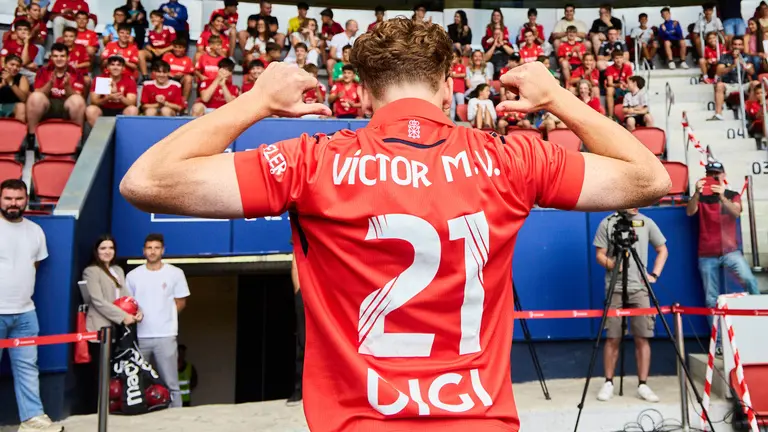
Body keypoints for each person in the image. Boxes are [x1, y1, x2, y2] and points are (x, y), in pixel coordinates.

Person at [118, 19, 671, 432]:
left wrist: (256, 101)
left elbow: (146, 180)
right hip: (478, 420)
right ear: (447, 87)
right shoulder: (511, 159)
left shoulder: (314, 162)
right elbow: (649, 178)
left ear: (360, 92)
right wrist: (557, 97)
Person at [0, 179, 62, 432]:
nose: (13, 203)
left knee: (28, 368)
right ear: (0, 200)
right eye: (8, 198)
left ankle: (32, 419)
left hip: (26, 312)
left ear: (26, 199)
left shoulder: (35, 231)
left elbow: (33, 267)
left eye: (18, 198)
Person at [593, 208, 668, 403]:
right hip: (615, 288)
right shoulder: (607, 223)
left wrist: (654, 275)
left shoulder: (646, 222)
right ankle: (608, 382)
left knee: (642, 337)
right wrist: (613, 264)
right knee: (613, 337)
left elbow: (663, 249)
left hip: (640, 289)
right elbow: (599, 254)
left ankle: (643, 384)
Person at [686, 161, 760, 352]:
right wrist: (696, 193)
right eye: (710, 174)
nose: (714, 177)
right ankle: (718, 343)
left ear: (723, 175)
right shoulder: (701, 197)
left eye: (717, 174)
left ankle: (759, 324)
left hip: (730, 251)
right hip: (707, 253)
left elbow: (736, 212)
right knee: (711, 298)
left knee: (750, 281)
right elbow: (690, 211)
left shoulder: (732, 194)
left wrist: (721, 196)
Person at [76, 234, 140, 414]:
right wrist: (123, 316)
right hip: (99, 328)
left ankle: (110, 408)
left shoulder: (118, 270)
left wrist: (137, 311)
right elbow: (98, 301)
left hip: (117, 329)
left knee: (114, 371)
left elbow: (127, 296)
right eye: (103, 248)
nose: (107, 251)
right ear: (96, 251)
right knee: (98, 373)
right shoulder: (91, 271)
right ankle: (95, 411)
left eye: (111, 248)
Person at [125, 233, 190, 409]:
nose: (153, 251)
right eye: (149, 248)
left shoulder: (175, 273)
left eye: (156, 248)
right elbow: (128, 304)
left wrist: (166, 316)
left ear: (163, 250)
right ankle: (139, 413)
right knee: (137, 381)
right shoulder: (133, 276)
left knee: (171, 382)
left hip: (166, 335)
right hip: (140, 336)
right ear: (143, 251)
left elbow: (181, 301)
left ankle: (176, 415)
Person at [26, 43, 86, 136]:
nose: (59, 59)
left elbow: (78, 95)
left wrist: (67, 86)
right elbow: (38, 92)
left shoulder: (76, 73)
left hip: (67, 104)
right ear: (51, 58)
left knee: (78, 100)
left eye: (62, 56)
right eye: (55, 56)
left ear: (68, 58)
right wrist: (50, 83)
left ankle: (78, 138)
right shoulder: (43, 71)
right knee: (35, 97)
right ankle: (32, 136)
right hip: (48, 104)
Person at [708, 37, 756, 121]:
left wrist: (742, 62)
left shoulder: (747, 57)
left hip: (743, 84)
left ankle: (749, 112)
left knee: (755, 83)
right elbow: (719, 72)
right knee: (719, 85)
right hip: (729, 84)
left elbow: (751, 72)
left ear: (743, 46)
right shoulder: (724, 57)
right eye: (735, 44)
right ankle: (718, 114)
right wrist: (733, 65)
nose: (737, 46)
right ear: (731, 46)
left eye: (739, 44)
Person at [85, 56, 139, 127]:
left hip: (122, 110)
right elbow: (94, 101)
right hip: (103, 109)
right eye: (112, 64)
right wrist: (108, 98)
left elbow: (132, 103)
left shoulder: (129, 80)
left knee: (133, 109)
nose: (115, 67)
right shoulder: (102, 79)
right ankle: (101, 133)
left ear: (123, 68)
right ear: (107, 67)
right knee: (91, 110)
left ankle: (124, 132)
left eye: (118, 65)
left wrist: (119, 97)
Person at [286, 245, 305, 406]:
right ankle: (299, 390)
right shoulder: (301, 235)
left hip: (325, 289)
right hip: (305, 292)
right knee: (303, 340)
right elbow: (295, 262)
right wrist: (298, 290)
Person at [139, 9, 177, 81]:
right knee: (140, 53)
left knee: (168, 54)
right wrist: (154, 50)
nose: (153, 19)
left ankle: (167, 76)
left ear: (162, 19)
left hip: (166, 52)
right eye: (152, 17)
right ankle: (145, 77)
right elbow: (146, 44)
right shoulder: (149, 31)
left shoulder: (169, 29)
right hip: (154, 52)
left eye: (156, 17)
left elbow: (174, 44)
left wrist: (162, 51)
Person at [0, 55, 30, 122]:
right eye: (12, 64)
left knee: (21, 106)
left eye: (18, 66)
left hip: (12, 106)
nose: (15, 68)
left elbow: (23, 98)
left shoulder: (22, 78)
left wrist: (11, 83)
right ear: (4, 65)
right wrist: (2, 85)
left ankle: (19, 128)